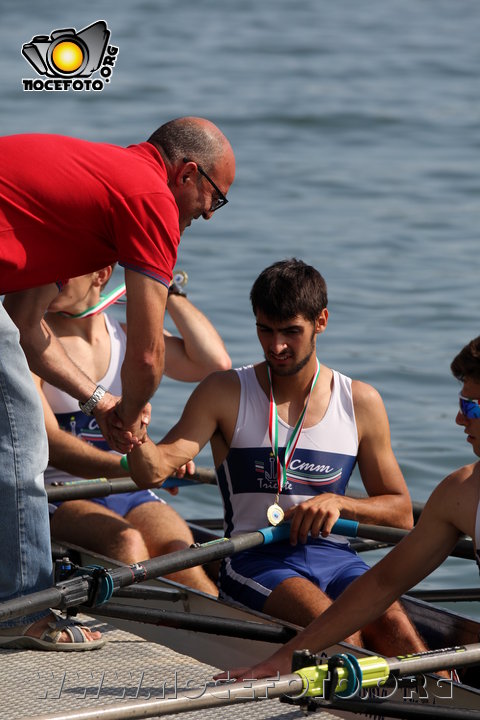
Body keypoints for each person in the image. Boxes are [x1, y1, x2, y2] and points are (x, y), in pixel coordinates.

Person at [0, 117, 235, 650]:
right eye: (214, 200)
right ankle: (21, 612)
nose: (206, 215)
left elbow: (23, 323)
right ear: (189, 175)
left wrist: (100, 400)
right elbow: (149, 356)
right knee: (21, 446)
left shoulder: (96, 196)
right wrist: (132, 421)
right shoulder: (150, 197)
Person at [127, 258, 426, 659]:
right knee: (341, 638)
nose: (276, 347)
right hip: (254, 556)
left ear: (321, 321)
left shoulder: (360, 402)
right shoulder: (224, 392)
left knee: (396, 629)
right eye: (265, 331)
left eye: (291, 332)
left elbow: (402, 513)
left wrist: (340, 503)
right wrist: (133, 434)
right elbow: (156, 468)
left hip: (336, 556)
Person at [220, 335, 480, 680]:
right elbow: (382, 584)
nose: (459, 421)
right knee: (389, 633)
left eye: (471, 408)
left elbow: (399, 520)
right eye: (462, 404)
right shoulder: (460, 493)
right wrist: (286, 657)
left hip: (331, 559)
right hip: (261, 559)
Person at [36, 264, 230, 594]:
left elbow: (215, 365)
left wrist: (163, 286)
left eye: (63, 268)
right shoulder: (35, 342)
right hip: (59, 494)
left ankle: (228, 634)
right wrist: (142, 466)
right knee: (128, 544)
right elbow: (51, 443)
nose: (48, 277)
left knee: (180, 551)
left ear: (101, 275)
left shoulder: (127, 337)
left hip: (129, 487)